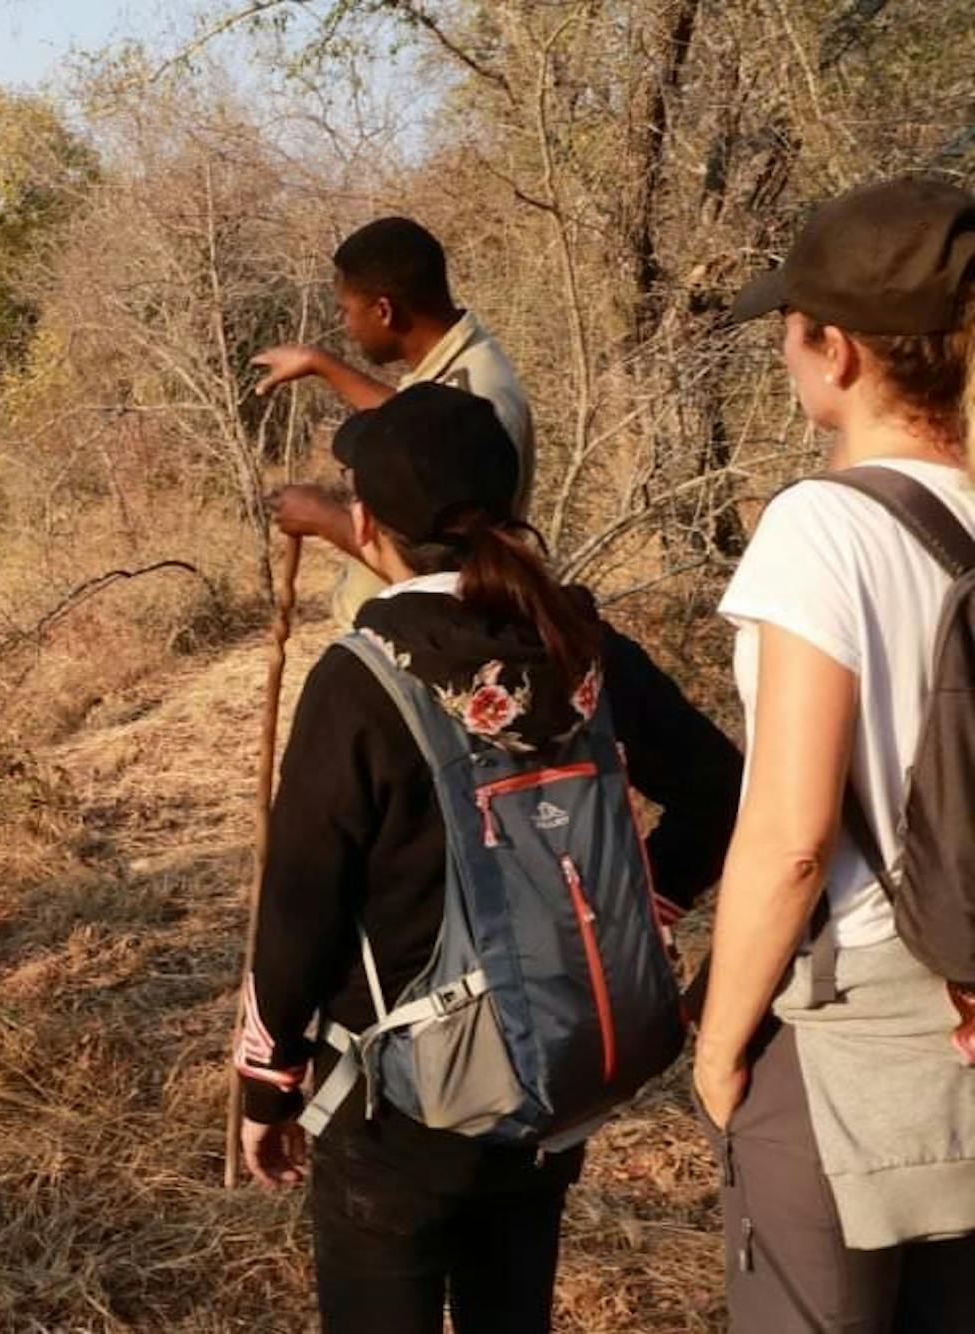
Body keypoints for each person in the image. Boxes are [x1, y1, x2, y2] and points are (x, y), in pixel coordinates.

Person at [237, 383, 741, 1334]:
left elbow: (300, 910)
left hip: (397, 1110)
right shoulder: (584, 647)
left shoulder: (361, 678)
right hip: (552, 1078)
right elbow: (721, 792)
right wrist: (640, 912)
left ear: (367, 522)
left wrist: (268, 1086)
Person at [695, 175, 975, 1330]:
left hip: (850, 1035)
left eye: (789, 327)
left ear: (838, 352)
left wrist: (716, 1048)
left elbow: (789, 838)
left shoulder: (821, 526)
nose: (783, 351)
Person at [251, 216, 535, 625]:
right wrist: (322, 365)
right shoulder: (457, 368)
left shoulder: (480, 393)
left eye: (347, 311)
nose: (346, 327)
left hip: (432, 648)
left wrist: (324, 518)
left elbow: (448, 568)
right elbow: (416, 429)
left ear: (384, 310)